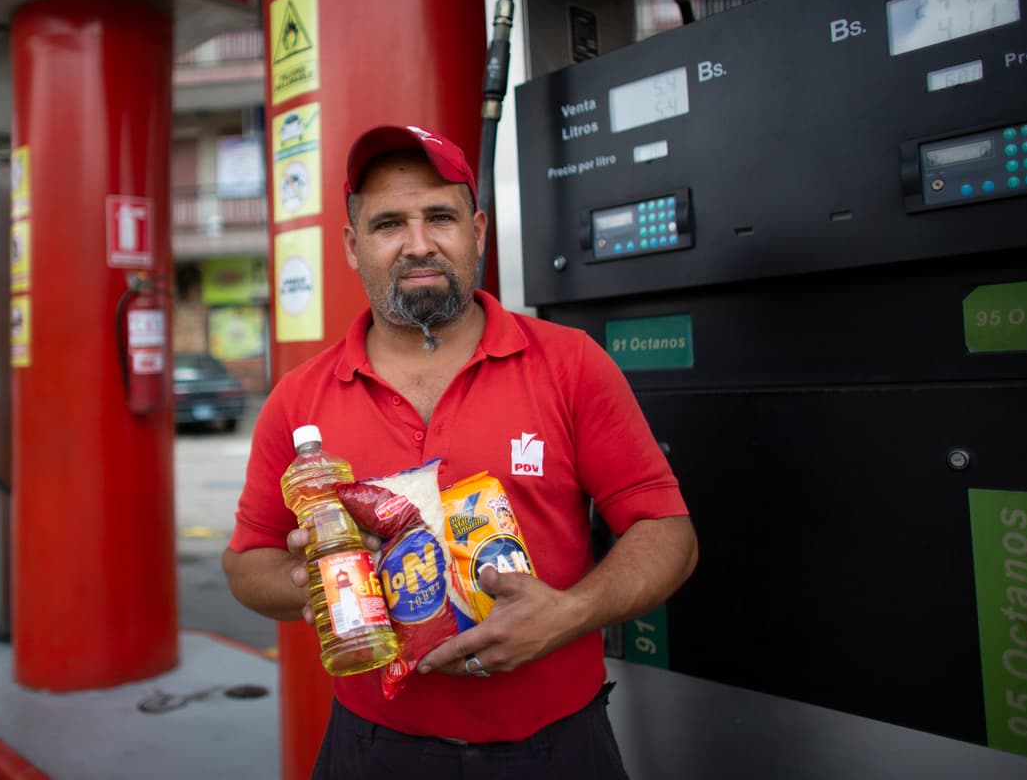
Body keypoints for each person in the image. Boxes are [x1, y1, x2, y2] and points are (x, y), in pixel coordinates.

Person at [223, 124, 698, 779]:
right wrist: (305, 578)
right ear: (352, 246)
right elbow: (247, 561)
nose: (419, 244)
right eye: (389, 223)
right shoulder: (297, 400)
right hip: (372, 746)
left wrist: (570, 614)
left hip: (556, 747)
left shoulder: (570, 364)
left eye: (439, 216)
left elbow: (668, 530)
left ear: (477, 230)